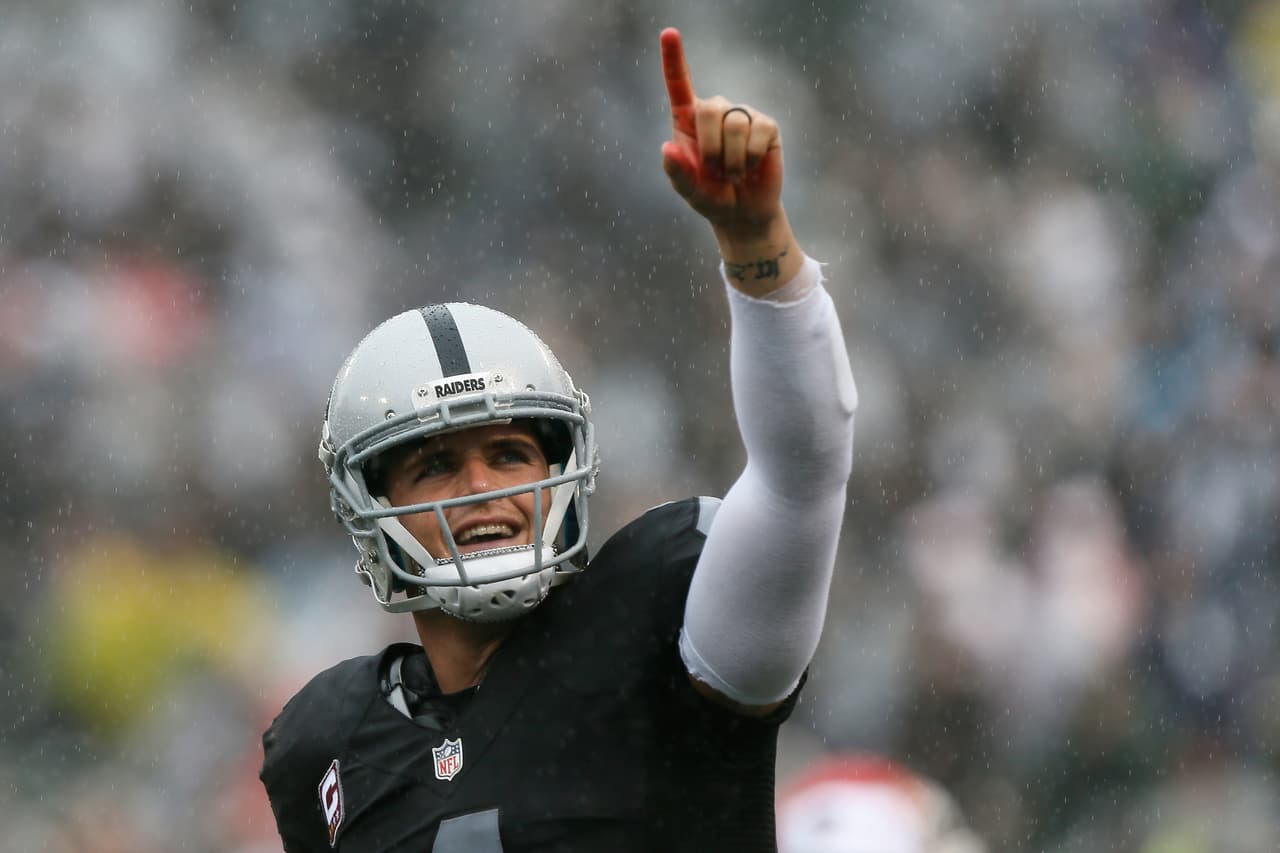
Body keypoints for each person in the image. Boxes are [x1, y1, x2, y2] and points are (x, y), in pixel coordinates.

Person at [260, 27, 857, 852]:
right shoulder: (326, 740)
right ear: (372, 506)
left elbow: (802, 477)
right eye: (436, 465)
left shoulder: (660, 617)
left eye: (509, 454)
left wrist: (757, 247)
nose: (483, 488)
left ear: (562, 469)